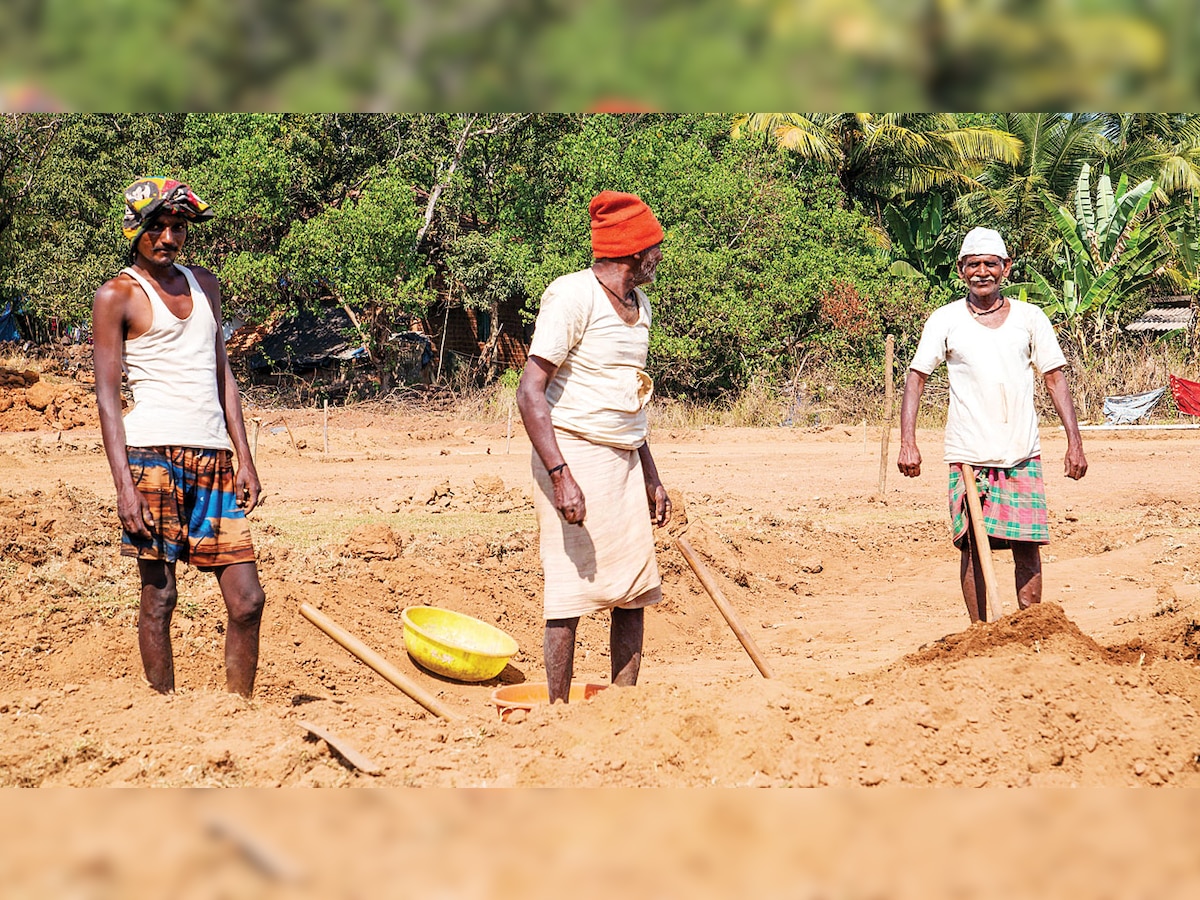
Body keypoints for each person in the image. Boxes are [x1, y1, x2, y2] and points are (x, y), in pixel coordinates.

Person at [93, 177, 266, 696]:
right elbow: (107, 397)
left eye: (177, 227)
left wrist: (246, 457)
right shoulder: (117, 295)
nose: (168, 238)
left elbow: (222, 376)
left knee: (247, 599)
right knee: (160, 596)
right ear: (135, 231)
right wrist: (124, 486)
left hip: (214, 458)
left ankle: (238, 712)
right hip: (152, 458)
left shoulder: (206, 284)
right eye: (157, 227)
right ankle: (164, 715)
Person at [516, 190, 672, 702]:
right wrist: (561, 476)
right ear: (631, 251)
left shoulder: (640, 305)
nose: (659, 256)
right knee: (570, 593)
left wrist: (650, 474)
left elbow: (631, 398)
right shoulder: (571, 297)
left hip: (624, 458)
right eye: (654, 248)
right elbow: (529, 392)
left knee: (633, 589)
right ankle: (557, 710)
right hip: (573, 455)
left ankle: (621, 706)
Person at [897, 226, 1087, 622]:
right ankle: (980, 632)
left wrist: (1075, 443)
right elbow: (916, 377)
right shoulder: (945, 320)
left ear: (1006, 268)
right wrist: (908, 442)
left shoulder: (1030, 317)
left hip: (1020, 450)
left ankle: (1030, 627)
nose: (982, 271)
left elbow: (1054, 377)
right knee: (971, 546)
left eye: (990, 264)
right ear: (961, 270)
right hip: (969, 453)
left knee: (1027, 544)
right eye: (973, 264)